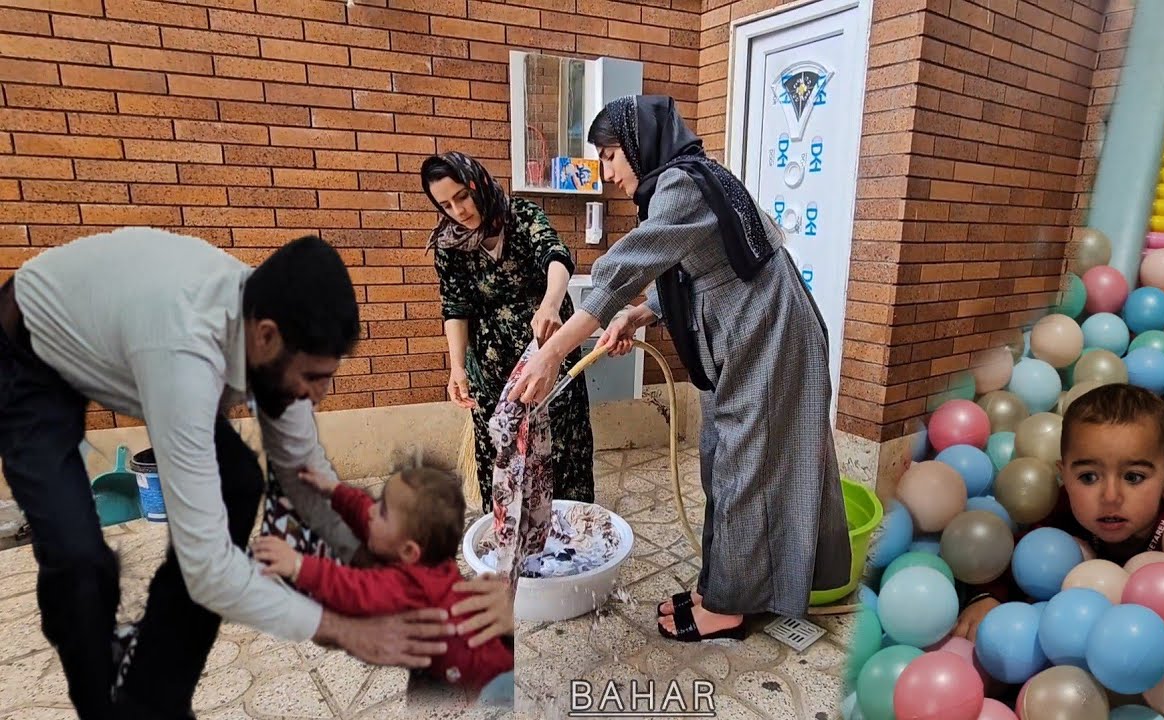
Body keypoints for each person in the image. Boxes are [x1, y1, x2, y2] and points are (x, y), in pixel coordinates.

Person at [0, 227, 512, 719]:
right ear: (266, 338)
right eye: (313, 378)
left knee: (241, 483)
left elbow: (303, 476)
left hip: (123, 333)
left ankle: (154, 677)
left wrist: (374, 566)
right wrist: (341, 629)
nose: (318, 396)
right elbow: (207, 567)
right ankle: (106, 703)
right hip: (27, 351)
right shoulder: (186, 358)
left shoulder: (274, 327)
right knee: (80, 563)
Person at [506, 95, 852, 642]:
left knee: (745, 465)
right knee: (723, 456)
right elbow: (699, 267)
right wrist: (639, 315)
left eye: (613, 154)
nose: (609, 171)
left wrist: (552, 353)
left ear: (641, 145)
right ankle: (724, 585)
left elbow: (625, 268)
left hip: (769, 335)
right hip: (746, 334)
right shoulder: (690, 181)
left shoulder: (682, 184)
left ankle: (730, 605)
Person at [951, 383, 1164, 641]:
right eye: (1088, 477)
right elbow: (1019, 557)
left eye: (1133, 477)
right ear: (1063, 476)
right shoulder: (1062, 511)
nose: (1110, 497)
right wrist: (988, 596)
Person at [423, 152, 596, 512]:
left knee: (559, 449)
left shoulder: (521, 217)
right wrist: (457, 367)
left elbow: (557, 257)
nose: (458, 210)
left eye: (462, 197)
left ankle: (568, 539)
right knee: (505, 459)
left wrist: (550, 304)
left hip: (548, 361)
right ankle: (513, 545)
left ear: (477, 184)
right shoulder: (449, 245)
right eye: (446, 205)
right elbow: (455, 307)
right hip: (492, 373)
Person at [251, 460, 514, 694]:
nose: (371, 511)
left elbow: (350, 587)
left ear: (409, 551)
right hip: (492, 662)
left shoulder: (406, 585)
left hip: (482, 683)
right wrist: (333, 489)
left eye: (382, 512)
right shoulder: (435, 560)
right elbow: (363, 510)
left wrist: (297, 564)